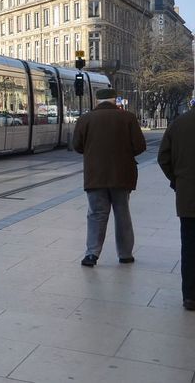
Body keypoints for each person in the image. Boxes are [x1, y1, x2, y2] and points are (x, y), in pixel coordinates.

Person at [72, 87, 146, 267]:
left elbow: (77, 146)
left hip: (95, 174)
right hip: (122, 174)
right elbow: (140, 146)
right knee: (122, 214)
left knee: (96, 214)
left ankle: (92, 254)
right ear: (115, 100)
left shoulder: (85, 119)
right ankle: (125, 254)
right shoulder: (128, 118)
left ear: (97, 101)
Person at [158, 99, 195, 310]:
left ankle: (190, 296)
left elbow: (163, 158)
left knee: (189, 246)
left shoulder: (179, 123)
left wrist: (177, 181)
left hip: (188, 195)